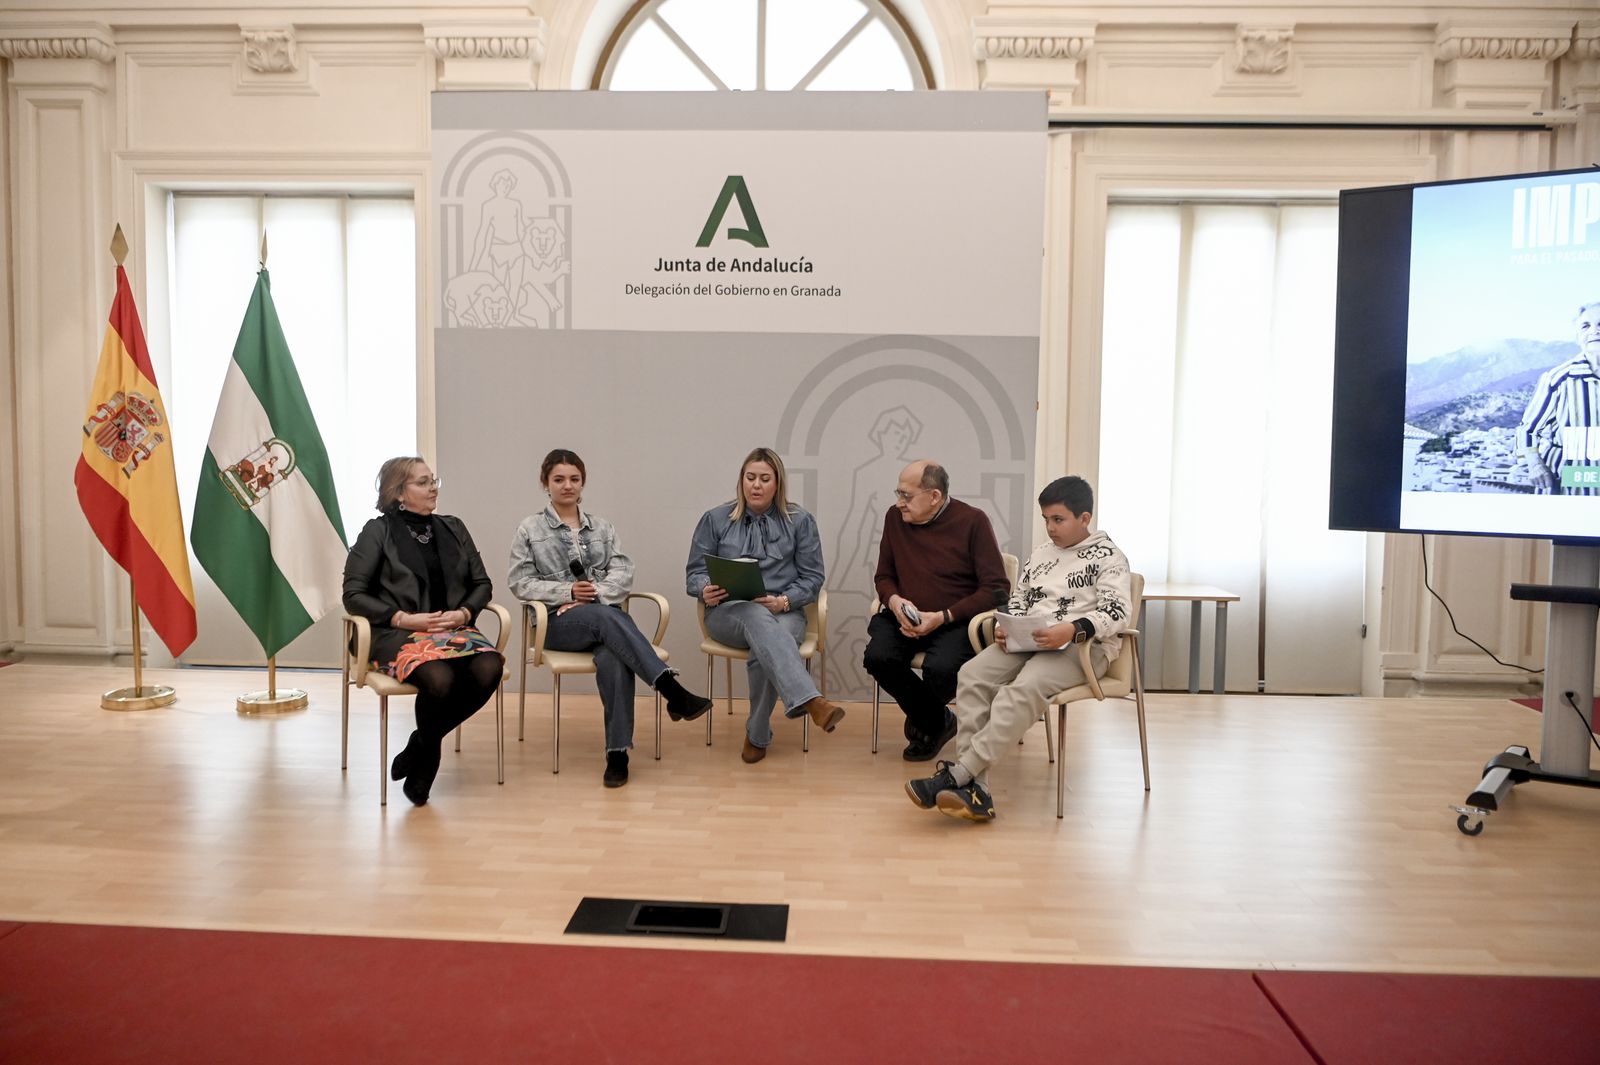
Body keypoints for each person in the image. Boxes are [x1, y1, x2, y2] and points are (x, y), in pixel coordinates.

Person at [906, 475, 1132, 822]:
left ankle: (959, 774)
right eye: (1045, 519)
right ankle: (976, 790)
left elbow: (1117, 612)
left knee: (1022, 690)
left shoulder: (1109, 557)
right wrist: (1004, 625)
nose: (1050, 528)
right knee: (971, 674)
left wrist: (1070, 630)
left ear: (1084, 518)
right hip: (1031, 640)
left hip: (1083, 648)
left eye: (1058, 519)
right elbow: (1020, 599)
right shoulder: (1042, 554)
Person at [507, 449, 713, 788]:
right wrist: (568, 594)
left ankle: (617, 755)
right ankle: (671, 690)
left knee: (614, 655)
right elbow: (519, 582)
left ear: (583, 482)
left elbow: (623, 572)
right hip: (556, 624)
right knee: (606, 619)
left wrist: (595, 597)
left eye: (574, 479)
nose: (567, 485)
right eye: (558, 479)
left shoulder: (602, 527)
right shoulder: (529, 529)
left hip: (604, 622)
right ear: (545, 483)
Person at [343, 457, 505, 806]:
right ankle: (427, 764)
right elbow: (353, 595)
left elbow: (482, 583)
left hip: (453, 630)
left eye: (434, 480)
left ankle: (420, 743)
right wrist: (403, 618)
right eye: (422, 482)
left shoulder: (454, 527)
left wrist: (464, 612)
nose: (433, 488)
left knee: (490, 667)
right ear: (398, 493)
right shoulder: (378, 531)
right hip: (397, 632)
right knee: (440, 680)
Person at [686, 447, 847, 763]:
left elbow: (813, 577)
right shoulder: (715, 519)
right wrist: (705, 589)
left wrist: (784, 600)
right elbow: (694, 573)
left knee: (767, 643)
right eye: (750, 478)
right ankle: (811, 700)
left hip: (783, 612)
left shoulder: (800, 521)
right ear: (741, 481)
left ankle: (757, 734)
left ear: (778, 484)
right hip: (727, 614)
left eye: (764, 479)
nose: (755, 485)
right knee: (754, 616)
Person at [864, 459, 1009, 761]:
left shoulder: (973, 522)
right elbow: (884, 577)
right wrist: (894, 601)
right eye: (898, 493)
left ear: (934, 497)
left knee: (941, 670)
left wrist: (943, 617)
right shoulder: (894, 518)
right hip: (905, 616)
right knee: (878, 657)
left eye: (906, 495)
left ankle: (924, 720)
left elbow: (997, 588)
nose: (899, 502)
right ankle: (937, 720)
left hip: (953, 621)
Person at [1518, 301, 1600, 497]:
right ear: (1578, 335)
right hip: (1574, 476)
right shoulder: (1559, 378)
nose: (1595, 331)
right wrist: (1535, 464)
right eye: (1586, 325)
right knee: (1579, 523)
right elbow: (1527, 429)